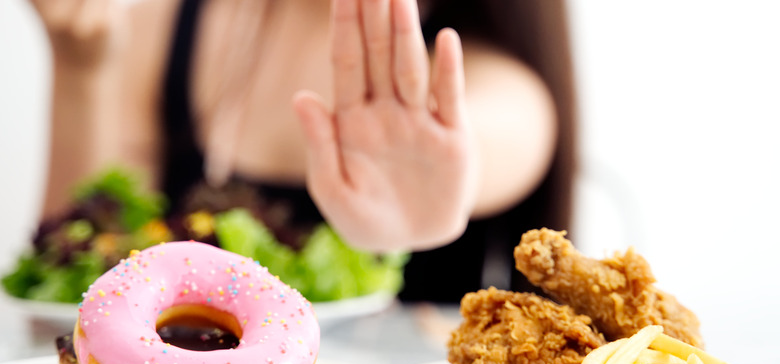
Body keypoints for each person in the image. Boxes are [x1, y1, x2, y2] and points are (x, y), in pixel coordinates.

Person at [28, 0, 577, 302]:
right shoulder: (162, 24)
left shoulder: (490, 73)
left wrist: (436, 183)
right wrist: (81, 69)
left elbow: (508, 131)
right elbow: (74, 261)